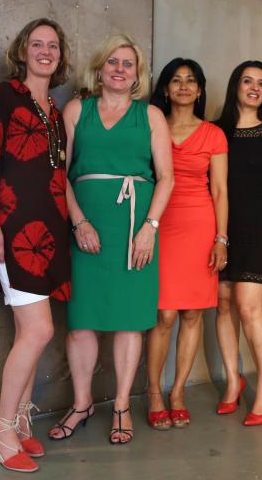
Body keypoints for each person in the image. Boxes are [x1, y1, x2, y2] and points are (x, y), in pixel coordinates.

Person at [48, 34, 174, 445]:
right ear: (100, 69)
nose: (120, 69)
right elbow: (60, 174)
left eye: (128, 64)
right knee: (81, 319)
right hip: (86, 225)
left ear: (137, 75)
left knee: (129, 320)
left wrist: (149, 228)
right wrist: (78, 222)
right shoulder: (76, 110)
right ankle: (81, 403)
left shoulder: (151, 116)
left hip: (135, 228)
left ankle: (121, 405)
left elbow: (166, 177)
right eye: (113, 62)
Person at [0, 18, 72, 472]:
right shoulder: (4, 95)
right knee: (39, 331)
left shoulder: (54, 110)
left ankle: (22, 421)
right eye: (37, 44)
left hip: (49, 234)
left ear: (60, 55)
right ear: (23, 51)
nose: (45, 51)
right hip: (15, 232)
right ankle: (2, 431)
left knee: (27, 332)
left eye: (53, 45)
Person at [144, 58, 228, 429]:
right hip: (159, 222)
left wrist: (221, 238)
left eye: (190, 80)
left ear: (199, 90)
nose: (183, 86)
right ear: (165, 89)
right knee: (163, 315)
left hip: (199, 226)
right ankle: (153, 392)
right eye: (176, 80)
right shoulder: (151, 124)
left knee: (193, 313)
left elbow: (220, 190)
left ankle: (177, 392)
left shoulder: (213, 134)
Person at [215, 61, 262, 426]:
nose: (255, 88)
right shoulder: (217, 132)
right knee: (223, 303)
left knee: (248, 307)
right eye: (248, 81)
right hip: (221, 227)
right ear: (236, 85)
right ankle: (233, 380)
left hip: (261, 228)